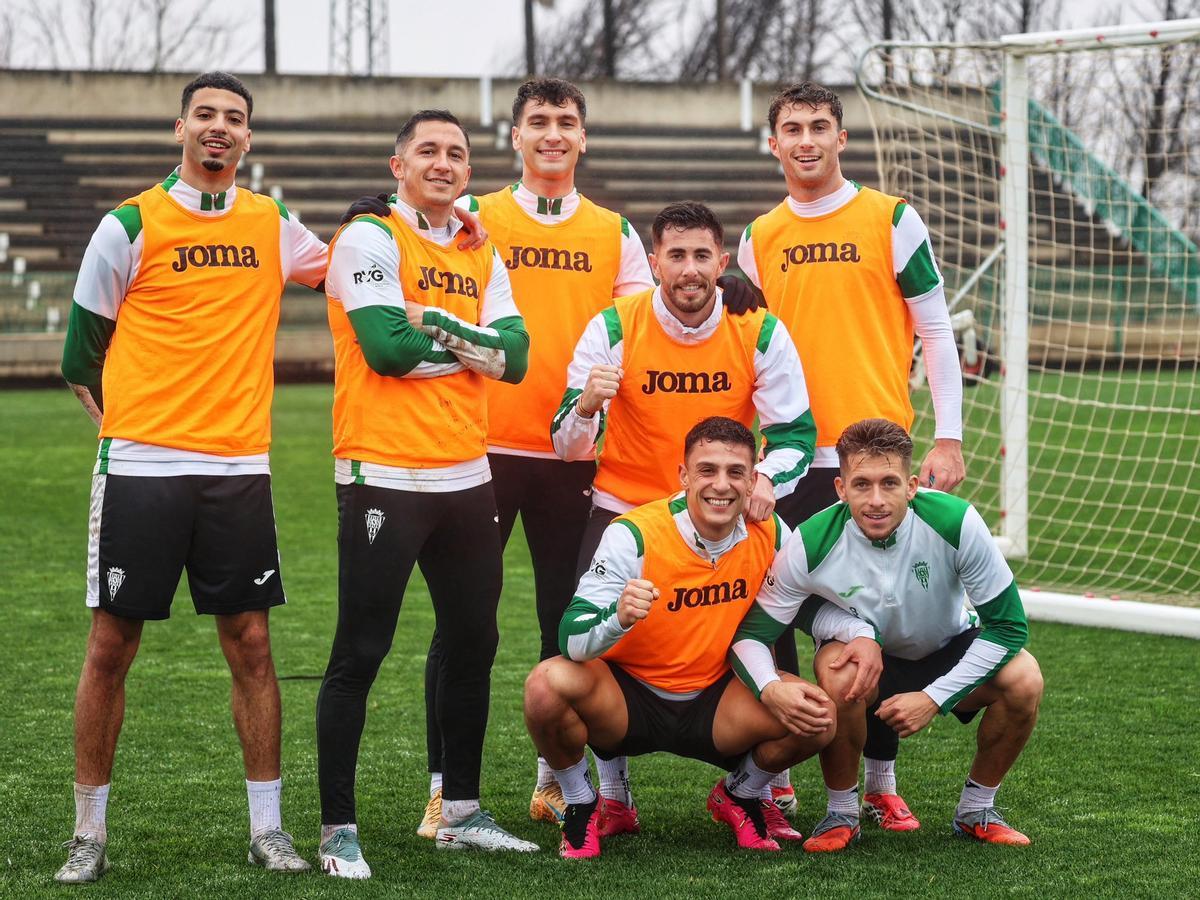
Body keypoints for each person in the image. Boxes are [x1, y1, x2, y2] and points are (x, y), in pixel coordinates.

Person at [55, 71, 324, 882]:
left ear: (248, 138)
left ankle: (268, 829)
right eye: (205, 114)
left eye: (234, 119)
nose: (219, 128)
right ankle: (89, 836)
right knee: (111, 645)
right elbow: (79, 357)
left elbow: (349, 267)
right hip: (141, 468)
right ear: (181, 128)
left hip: (240, 469)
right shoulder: (129, 223)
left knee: (251, 643)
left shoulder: (273, 222)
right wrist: (134, 432)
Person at [417, 77, 655, 838]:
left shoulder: (615, 232)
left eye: (567, 122)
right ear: (514, 136)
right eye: (539, 122)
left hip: (577, 458)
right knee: (464, 627)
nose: (553, 134)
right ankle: (444, 789)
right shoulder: (471, 216)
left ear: (584, 137)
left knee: (568, 626)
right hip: (475, 449)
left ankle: (557, 782)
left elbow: (643, 328)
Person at [316, 108, 536, 878]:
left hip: (466, 476)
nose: (444, 163)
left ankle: (463, 812)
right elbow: (383, 350)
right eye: (428, 151)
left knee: (475, 642)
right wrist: (474, 347)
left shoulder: (482, 246)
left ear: (469, 172)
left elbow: (517, 361)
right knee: (361, 651)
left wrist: (436, 325)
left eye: (457, 153)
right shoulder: (371, 237)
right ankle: (337, 827)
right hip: (384, 471)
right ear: (397, 164)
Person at [738, 81, 966, 823]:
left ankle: (880, 786)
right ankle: (773, 783)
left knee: (886, 618)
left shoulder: (892, 219)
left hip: (878, 462)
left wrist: (950, 435)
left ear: (841, 138)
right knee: (782, 615)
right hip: (792, 463)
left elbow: (934, 332)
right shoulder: (757, 236)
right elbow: (748, 355)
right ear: (772, 144)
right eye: (792, 128)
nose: (806, 140)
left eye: (819, 127)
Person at [525, 417, 836, 859]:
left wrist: (858, 634)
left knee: (819, 715)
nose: (721, 485)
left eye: (735, 473)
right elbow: (571, 639)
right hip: (628, 701)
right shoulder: (632, 533)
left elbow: (812, 604)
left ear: (754, 480)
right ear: (684, 476)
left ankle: (739, 793)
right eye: (707, 470)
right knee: (544, 686)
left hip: (717, 699)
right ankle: (581, 804)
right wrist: (617, 616)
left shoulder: (771, 532)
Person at [731, 418, 1042, 851]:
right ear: (841, 488)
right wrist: (769, 688)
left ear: (912, 486)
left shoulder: (956, 522)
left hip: (945, 649)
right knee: (838, 675)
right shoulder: (811, 540)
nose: (876, 500)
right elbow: (753, 634)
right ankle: (841, 812)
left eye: (889, 483)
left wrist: (933, 697)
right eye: (861, 485)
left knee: (1025, 678)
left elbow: (1009, 627)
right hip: (863, 667)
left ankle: (976, 809)